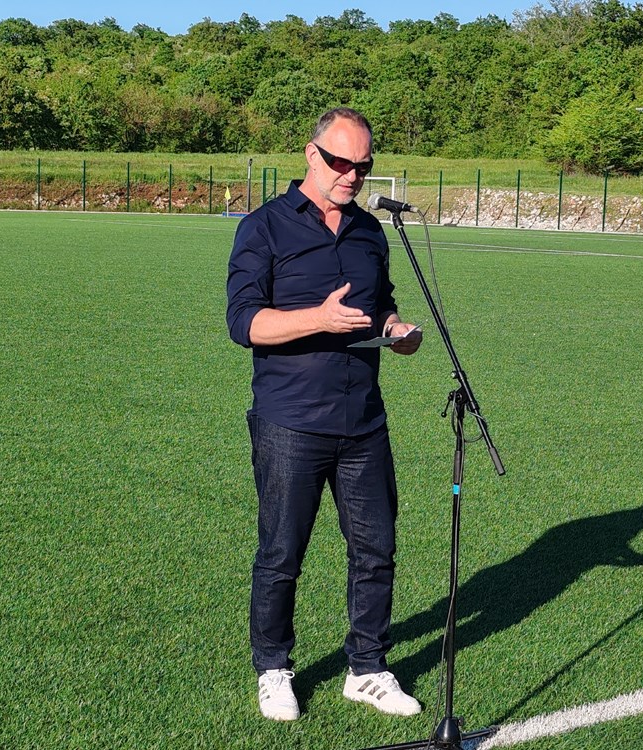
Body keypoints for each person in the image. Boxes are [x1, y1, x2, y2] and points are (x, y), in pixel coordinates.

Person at [226, 107, 424, 722]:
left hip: (363, 420)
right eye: (341, 162)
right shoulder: (263, 227)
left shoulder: (370, 232)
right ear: (312, 155)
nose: (352, 175)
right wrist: (318, 318)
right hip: (290, 420)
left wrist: (397, 330)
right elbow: (243, 322)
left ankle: (367, 668)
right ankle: (273, 669)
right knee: (281, 554)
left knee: (376, 550)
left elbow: (381, 304)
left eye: (363, 165)